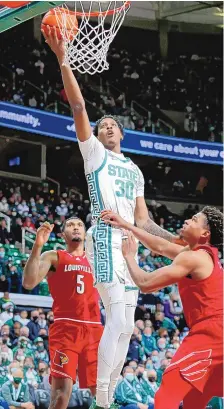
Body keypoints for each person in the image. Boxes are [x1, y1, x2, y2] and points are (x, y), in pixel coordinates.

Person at [42, 26, 177, 409]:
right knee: (116, 319)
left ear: (122, 133)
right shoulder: (94, 156)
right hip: (103, 236)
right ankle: (102, 396)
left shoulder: (134, 170)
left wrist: (175, 243)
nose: (105, 128)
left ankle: (110, 392)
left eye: (111, 125)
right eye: (102, 127)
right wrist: (63, 59)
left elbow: (145, 220)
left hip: (130, 242)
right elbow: (79, 108)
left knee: (125, 328)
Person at [101, 206, 223, 409]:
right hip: (218, 332)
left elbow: (146, 283)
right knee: (194, 400)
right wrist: (125, 225)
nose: (187, 221)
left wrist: (130, 256)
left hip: (211, 332)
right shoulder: (202, 254)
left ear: (205, 233)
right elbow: (161, 246)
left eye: (193, 219)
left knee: (166, 394)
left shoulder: (193, 258)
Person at [23, 217, 103, 409]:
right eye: (70, 225)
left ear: (85, 234)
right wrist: (37, 246)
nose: (75, 227)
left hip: (94, 329)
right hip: (66, 329)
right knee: (60, 396)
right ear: (62, 235)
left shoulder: (98, 259)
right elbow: (28, 282)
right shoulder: (54, 256)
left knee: (102, 394)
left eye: (79, 225)